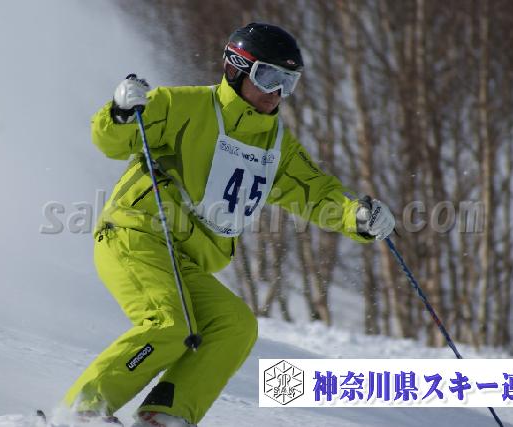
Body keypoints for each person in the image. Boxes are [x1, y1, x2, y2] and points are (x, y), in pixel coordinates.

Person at [62, 22, 395, 427]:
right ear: (235, 69)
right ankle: (82, 412)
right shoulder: (184, 107)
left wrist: (355, 216)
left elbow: (315, 193)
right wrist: (119, 112)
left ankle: (164, 416)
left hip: (184, 261)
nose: (277, 92)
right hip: (135, 236)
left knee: (234, 326)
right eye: (268, 77)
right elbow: (113, 142)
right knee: (170, 324)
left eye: (288, 82)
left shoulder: (275, 146)